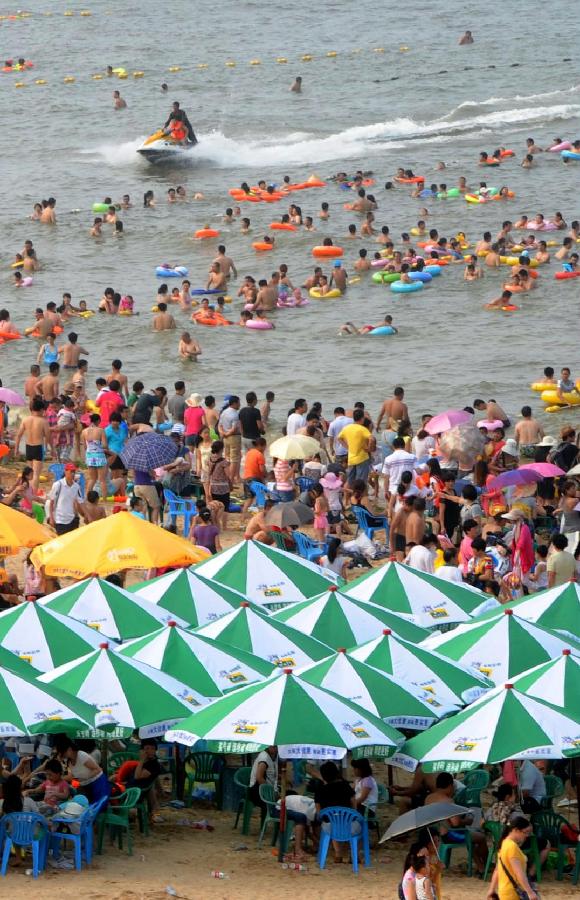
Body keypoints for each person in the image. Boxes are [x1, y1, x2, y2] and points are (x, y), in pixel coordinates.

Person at [486, 816, 539, 900]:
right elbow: (519, 873)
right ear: (516, 830)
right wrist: (530, 892)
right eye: (525, 832)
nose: (526, 836)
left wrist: (491, 889)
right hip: (513, 892)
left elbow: (497, 870)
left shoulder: (504, 843)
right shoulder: (512, 847)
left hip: (505, 890)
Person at [56, 738, 110, 804]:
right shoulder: (68, 761)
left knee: (96, 806)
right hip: (85, 786)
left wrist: (85, 777)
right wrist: (75, 789)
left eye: (63, 753)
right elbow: (74, 777)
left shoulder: (81, 756)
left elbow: (97, 769)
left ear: (69, 749)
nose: (63, 756)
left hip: (97, 783)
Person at [14, 397, 51, 493]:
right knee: (35, 474)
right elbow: (48, 437)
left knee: (29, 474)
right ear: (41, 409)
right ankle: (33, 494)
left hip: (28, 448)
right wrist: (52, 449)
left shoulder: (25, 420)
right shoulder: (43, 421)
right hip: (38, 448)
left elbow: (18, 435)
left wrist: (16, 449)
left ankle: (29, 492)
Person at [47, 462, 83, 534]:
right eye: (71, 472)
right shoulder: (58, 485)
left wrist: (86, 515)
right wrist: (51, 517)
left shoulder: (76, 487)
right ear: (66, 471)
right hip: (60, 519)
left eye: (74, 472)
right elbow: (51, 502)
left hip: (72, 519)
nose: (73, 474)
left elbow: (81, 503)